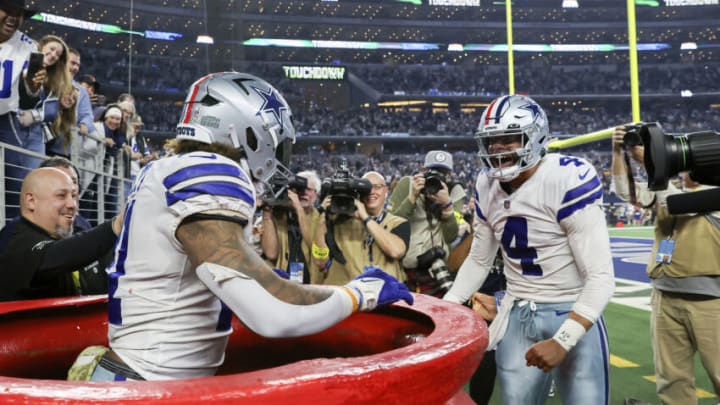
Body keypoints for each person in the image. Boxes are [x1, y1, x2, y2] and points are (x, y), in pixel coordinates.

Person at [68, 72, 412, 382]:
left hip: (139, 375)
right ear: (247, 129)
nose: (279, 154)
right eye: (278, 141)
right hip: (149, 386)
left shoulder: (169, 168)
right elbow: (273, 316)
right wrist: (358, 294)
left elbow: (237, 276)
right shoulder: (213, 171)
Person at [443, 94, 614, 404]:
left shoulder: (567, 176)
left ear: (534, 137)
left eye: (509, 138)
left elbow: (601, 277)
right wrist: (449, 305)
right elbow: (480, 260)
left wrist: (564, 339)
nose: (497, 148)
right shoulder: (485, 183)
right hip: (518, 312)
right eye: (492, 140)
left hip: (571, 306)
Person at [611, 124, 720, 404]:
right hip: (665, 296)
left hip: (712, 302)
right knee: (672, 381)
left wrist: (648, 160)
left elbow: (678, 203)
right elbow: (628, 193)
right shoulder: (668, 190)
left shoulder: (712, 194)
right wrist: (618, 152)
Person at [0, 166, 123, 301]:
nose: (72, 204)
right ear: (31, 201)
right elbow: (56, 255)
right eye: (61, 195)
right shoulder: (13, 240)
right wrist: (115, 226)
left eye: (74, 195)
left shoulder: (69, 234)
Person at [388, 150, 465, 297]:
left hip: (438, 269)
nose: (437, 176)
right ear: (423, 170)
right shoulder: (408, 184)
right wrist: (411, 198)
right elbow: (391, 226)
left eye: (443, 172)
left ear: (449, 175)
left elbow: (451, 237)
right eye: (433, 171)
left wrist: (447, 205)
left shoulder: (454, 191)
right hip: (407, 268)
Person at [312, 170, 410, 285]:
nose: (371, 192)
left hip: (384, 295)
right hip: (347, 296)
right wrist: (322, 220)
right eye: (366, 189)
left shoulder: (398, 222)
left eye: (377, 187)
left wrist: (366, 218)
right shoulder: (337, 222)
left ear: (386, 191)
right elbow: (320, 263)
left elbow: (396, 251)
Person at [38, 156, 111, 294]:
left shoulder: (85, 226)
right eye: (59, 181)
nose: (68, 187)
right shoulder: (21, 236)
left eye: (73, 182)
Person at [0, 0, 43, 220]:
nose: (13, 17)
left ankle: (9, 239)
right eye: (8, 10)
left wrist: (33, 86)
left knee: (16, 185)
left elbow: (28, 96)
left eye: (19, 13)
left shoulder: (28, 46)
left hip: (5, 118)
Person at [261, 170, 322, 283]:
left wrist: (298, 208)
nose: (303, 193)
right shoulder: (278, 216)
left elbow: (318, 253)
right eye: (298, 188)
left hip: (311, 286)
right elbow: (271, 254)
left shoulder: (321, 220)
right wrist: (267, 217)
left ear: (316, 195)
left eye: (308, 189)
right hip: (281, 283)